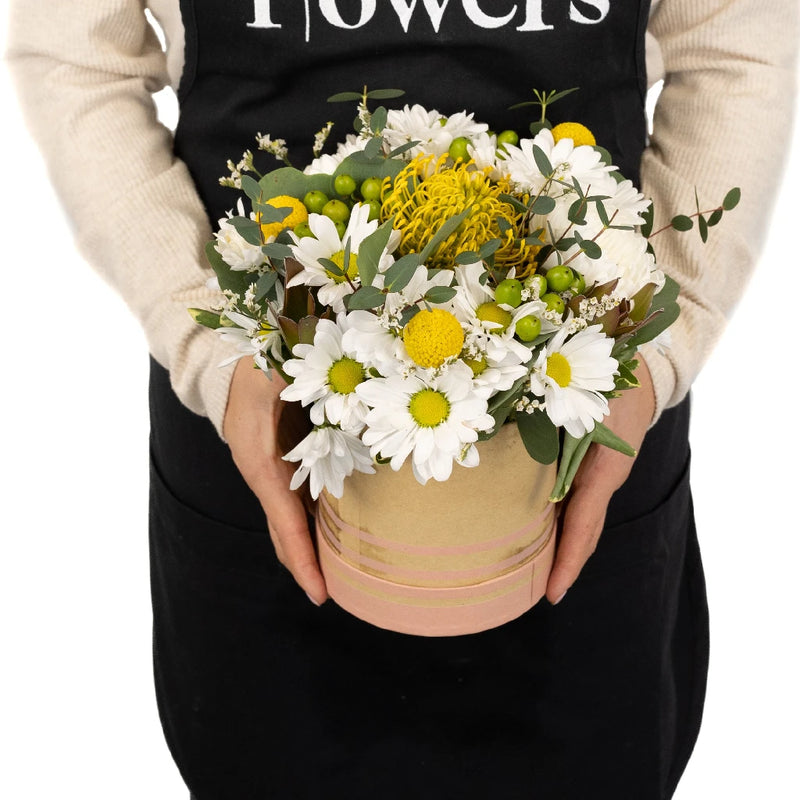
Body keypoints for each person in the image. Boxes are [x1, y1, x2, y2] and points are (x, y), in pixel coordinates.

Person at [7, 1, 796, 798]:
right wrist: (210, 349)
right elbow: (77, 57)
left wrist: (653, 355)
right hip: (255, 424)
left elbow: (736, 43)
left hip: (585, 413)